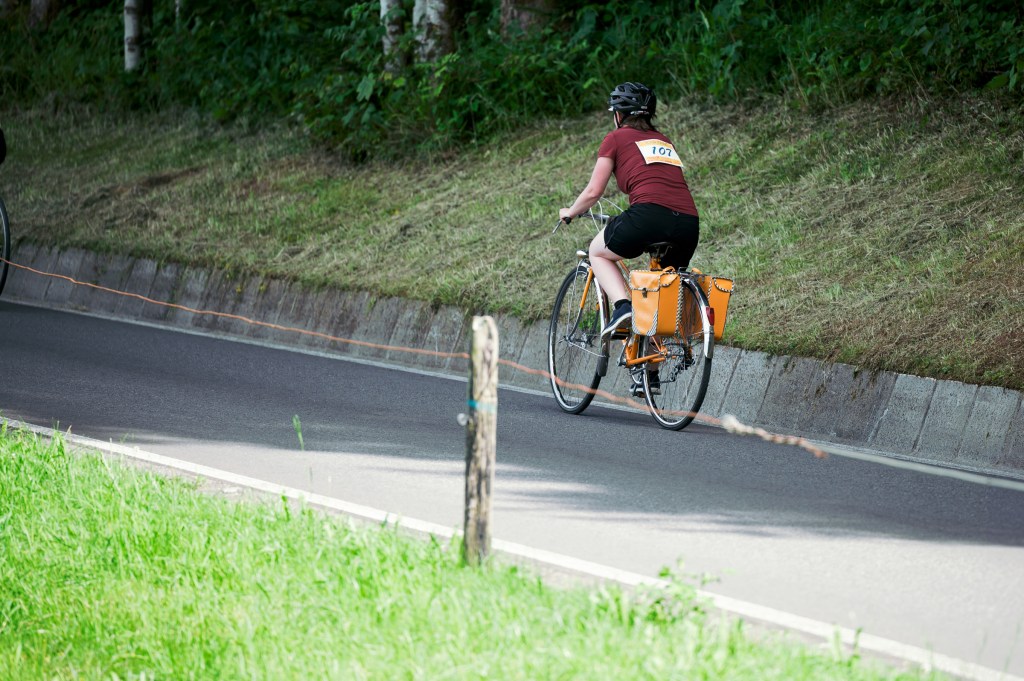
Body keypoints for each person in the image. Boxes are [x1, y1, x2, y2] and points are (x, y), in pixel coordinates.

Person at [559, 81, 699, 339]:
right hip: (689, 224)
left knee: (597, 252)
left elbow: (593, 191)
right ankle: (652, 364)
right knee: (660, 293)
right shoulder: (664, 141)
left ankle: (622, 307)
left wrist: (571, 211)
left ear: (619, 115)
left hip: (648, 216)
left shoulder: (615, 138)